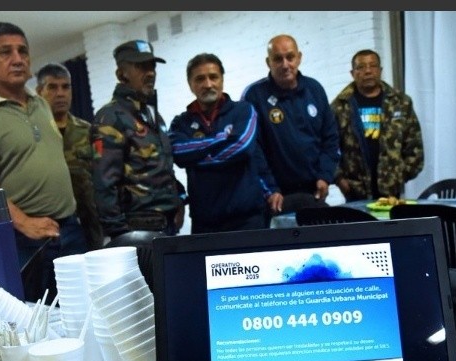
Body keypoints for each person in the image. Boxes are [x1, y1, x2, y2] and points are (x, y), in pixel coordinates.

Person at [0, 22, 88, 303]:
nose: (17, 59)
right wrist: (24, 222)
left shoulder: (40, 104)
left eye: (22, 51)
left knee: (80, 309)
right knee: (37, 316)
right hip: (26, 238)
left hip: (69, 228)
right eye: (5, 52)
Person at [168, 53, 283, 234]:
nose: (208, 84)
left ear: (222, 80)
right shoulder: (180, 123)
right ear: (190, 84)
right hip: (204, 224)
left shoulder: (243, 111)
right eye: (200, 79)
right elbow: (179, 153)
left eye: (213, 77)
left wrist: (197, 156)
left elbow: (242, 147)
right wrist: (222, 139)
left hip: (247, 220)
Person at [90, 39, 184, 238]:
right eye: (141, 67)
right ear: (121, 74)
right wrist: (120, 236)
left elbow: (163, 167)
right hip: (136, 229)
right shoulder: (111, 117)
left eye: (152, 66)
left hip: (165, 225)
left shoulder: (151, 116)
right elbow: (104, 183)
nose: (150, 73)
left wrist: (178, 201)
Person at [241, 34, 340, 215]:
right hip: (275, 198)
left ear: (299, 57)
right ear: (268, 62)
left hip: (315, 192)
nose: (285, 64)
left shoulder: (315, 89)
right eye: (278, 59)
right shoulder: (254, 96)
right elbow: (254, 150)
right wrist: (270, 189)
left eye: (290, 57)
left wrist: (325, 176)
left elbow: (331, 139)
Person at [331, 49, 424, 201]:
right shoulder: (340, 107)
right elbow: (329, 147)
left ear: (380, 70)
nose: (368, 71)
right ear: (352, 73)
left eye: (373, 66)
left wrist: (399, 176)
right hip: (355, 191)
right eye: (361, 67)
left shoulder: (400, 103)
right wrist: (340, 179)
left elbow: (415, 146)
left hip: (391, 193)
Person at [35, 62, 104, 250]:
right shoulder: (33, 133)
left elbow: (101, 174)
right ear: (39, 91)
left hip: (89, 223)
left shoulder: (87, 131)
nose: (60, 94)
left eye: (66, 87)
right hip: (51, 226)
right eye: (52, 87)